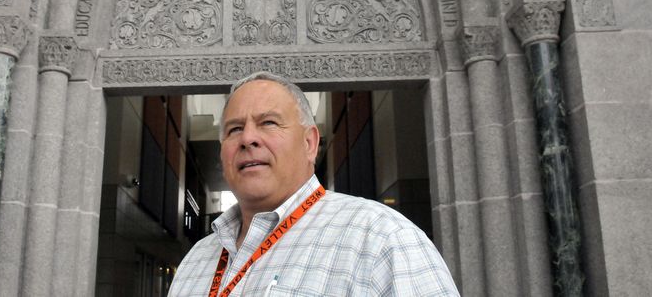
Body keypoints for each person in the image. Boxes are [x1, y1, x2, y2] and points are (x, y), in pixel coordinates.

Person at [168, 71, 460, 296]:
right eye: (234, 129)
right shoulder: (196, 259)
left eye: (269, 123)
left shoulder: (382, 238)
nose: (247, 139)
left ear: (309, 143)